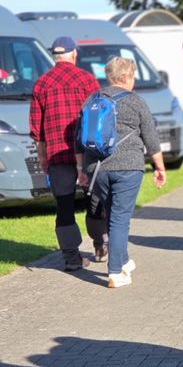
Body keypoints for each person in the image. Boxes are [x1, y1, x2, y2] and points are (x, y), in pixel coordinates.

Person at [76, 57, 166, 288]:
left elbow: (79, 140)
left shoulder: (92, 100)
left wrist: (81, 170)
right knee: (119, 218)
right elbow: (151, 139)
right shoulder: (136, 102)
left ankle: (123, 260)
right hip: (128, 167)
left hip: (96, 168)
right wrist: (159, 167)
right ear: (127, 77)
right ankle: (115, 272)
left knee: (113, 215)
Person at [30, 36, 107, 270]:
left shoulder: (41, 84)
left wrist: (42, 157)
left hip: (57, 155)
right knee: (95, 200)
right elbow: (99, 117)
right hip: (88, 152)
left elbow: (37, 130)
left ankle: (71, 257)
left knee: (64, 206)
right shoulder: (87, 80)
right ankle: (100, 244)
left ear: (54, 56)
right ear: (74, 54)